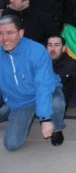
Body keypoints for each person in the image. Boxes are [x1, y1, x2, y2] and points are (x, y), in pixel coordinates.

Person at [0, 15, 65, 150]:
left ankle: (57, 128)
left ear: (21, 33)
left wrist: (45, 119)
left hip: (44, 92)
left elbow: (43, 86)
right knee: (11, 145)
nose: (4, 38)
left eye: (9, 33)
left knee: (56, 103)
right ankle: (14, 112)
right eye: (0, 33)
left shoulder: (37, 51)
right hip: (19, 101)